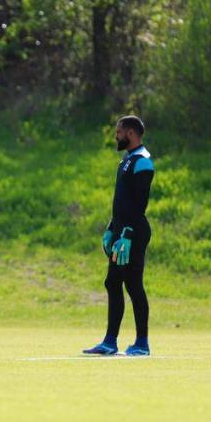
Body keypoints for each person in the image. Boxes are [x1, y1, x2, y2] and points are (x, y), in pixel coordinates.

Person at [83, 115, 155, 357]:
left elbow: (139, 204)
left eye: (119, 132)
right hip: (122, 232)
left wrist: (127, 233)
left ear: (131, 133)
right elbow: (122, 202)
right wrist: (111, 228)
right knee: (113, 283)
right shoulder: (127, 160)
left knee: (133, 285)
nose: (116, 136)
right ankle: (110, 342)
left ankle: (141, 343)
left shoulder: (143, 162)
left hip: (133, 233)